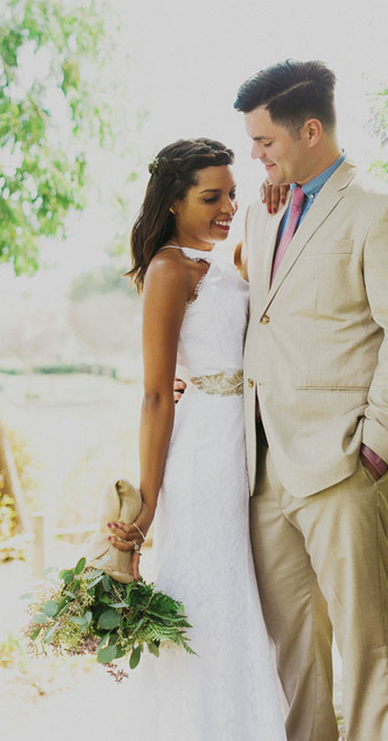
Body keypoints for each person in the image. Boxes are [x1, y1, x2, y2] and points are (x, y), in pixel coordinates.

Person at [235, 60, 388, 741]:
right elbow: (263, 317)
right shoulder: (265, 213)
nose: (255, 155)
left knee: (368, 649)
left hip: (346, 466)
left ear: (311, 129)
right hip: (265, 473)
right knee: (296, 657)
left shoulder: (384, 212)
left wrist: (379, 448)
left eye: (265, 142)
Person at [110, 138, 287, 741]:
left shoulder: (217, 260)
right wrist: (149, 502)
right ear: (173, 203)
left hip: (242, 440)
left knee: (238, 599)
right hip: (204, 454)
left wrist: (269, 205)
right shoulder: (168, 268)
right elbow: (157, 394)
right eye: (212, 197)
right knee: (210, 599)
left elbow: (259, 271)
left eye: (232, 194)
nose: (228, 206)